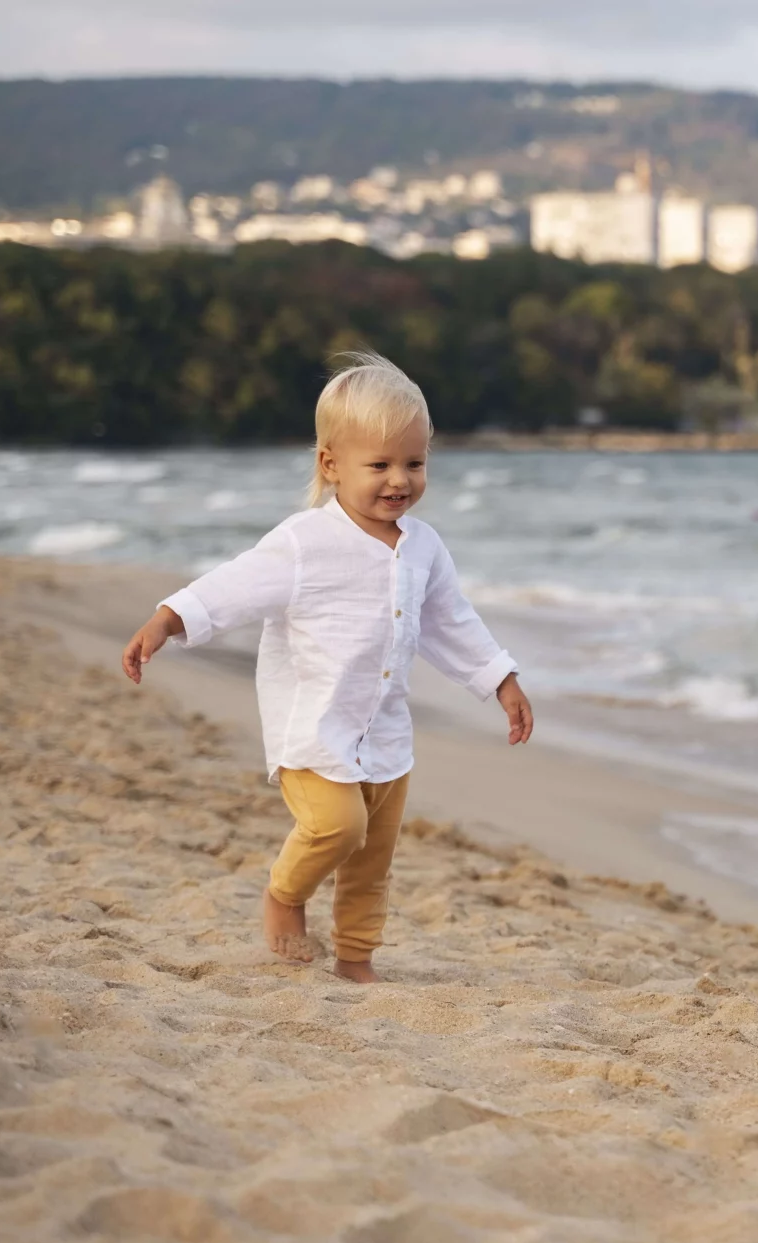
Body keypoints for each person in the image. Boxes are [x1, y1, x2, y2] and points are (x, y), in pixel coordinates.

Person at [121, 352, 533, 984]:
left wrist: (500, 680)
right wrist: (169, 619)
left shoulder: (423, 547)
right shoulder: (304, 542)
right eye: (380, 465)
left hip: (386, 741)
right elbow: (234, 586)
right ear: (331, 464)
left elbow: (451, 621)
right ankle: (284, 898)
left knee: (373, 860)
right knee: (336, 828)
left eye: (415, 463)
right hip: (312, 734)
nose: (399, 480)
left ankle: (355, 958)